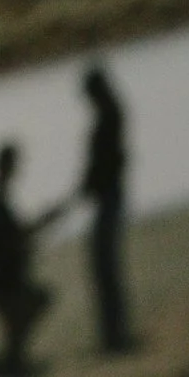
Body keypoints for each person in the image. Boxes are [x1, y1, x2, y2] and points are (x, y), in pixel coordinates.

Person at [0, 141, 64, 377]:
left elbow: (15, 237)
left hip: (6, 280)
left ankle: (14, 360)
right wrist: (43, 223)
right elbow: (13, 239)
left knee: (31, 305)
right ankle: (13, 362)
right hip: (5, 283)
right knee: (30, 305)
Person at [78, 62, 136, 356]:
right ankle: (115, 334)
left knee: (105, 268)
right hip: (108, 199)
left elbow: (103, 166)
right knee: (106, 267)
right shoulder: (112, 117)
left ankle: (115, 336)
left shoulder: (109, 119)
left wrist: (88, 185)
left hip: (108, 199)